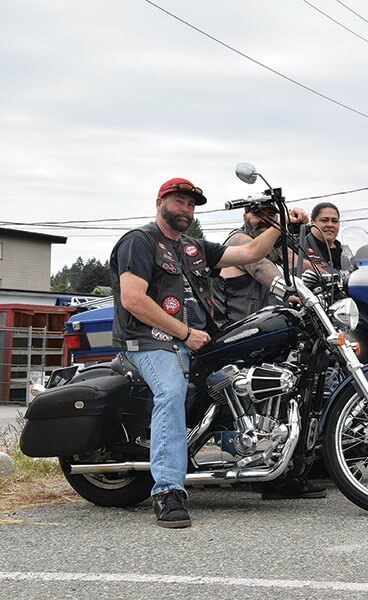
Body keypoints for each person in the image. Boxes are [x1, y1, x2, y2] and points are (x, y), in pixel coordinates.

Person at [110, 177, 305, 528]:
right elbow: (133, 299)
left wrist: (279, 224)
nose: (185, 208)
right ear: (160, 202)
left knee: (245, 381)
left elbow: (250, 254)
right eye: (179, 201)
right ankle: (167, 491)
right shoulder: (139, 242)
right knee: (171, 392)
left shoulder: (193, 248)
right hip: (151, 342)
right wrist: (183, 332)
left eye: (191, 204)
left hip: (195, 340)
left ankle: (268, 464)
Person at [210, 206, 330, 501]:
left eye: (268, 213)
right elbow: (261, 267)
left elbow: (304, 268)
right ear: (245, 217)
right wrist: (288, 287)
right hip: (234, 339)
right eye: (256, 214)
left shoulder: (276, 249)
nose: (262, 218)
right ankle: (262, 466)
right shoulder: (237, 240)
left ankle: (289, 472)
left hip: (266, 339)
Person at [298, 202, 350, 272]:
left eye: (334, 221)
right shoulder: (300, 245)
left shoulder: (345, 253)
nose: (330, 225)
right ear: (312, 222)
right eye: (324, 220)